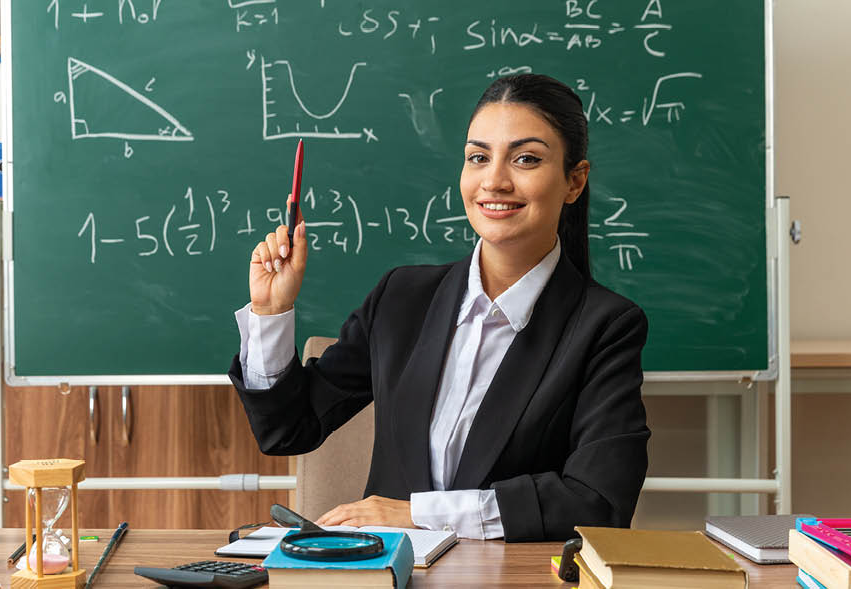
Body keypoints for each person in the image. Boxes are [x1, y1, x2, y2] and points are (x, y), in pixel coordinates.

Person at [228, 74, 650, 542]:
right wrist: (270, 311)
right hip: (390, 574)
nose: (494, 180)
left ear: (575, 181)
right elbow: (288, 431)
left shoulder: (605, 326)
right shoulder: (402, 296)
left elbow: (599, 501)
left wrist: (422, 514)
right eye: (478, 157)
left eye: (526, 159)